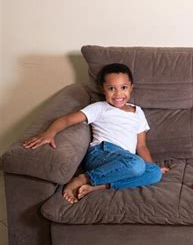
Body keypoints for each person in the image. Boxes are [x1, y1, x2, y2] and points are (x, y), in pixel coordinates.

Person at [23, 63, 168, 204]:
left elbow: (141, 146)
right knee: (136, 164)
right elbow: (67, 120)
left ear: (131, 87)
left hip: (125, 160)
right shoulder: (99, 108)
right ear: (103, 89)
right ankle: (83, 178)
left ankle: (98, 186)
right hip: (102, 153)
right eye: (111, 88)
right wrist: (50, 133)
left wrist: (150, 166)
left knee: (154, 173)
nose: (118, 94)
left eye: (123, 87)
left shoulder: (138, 112)